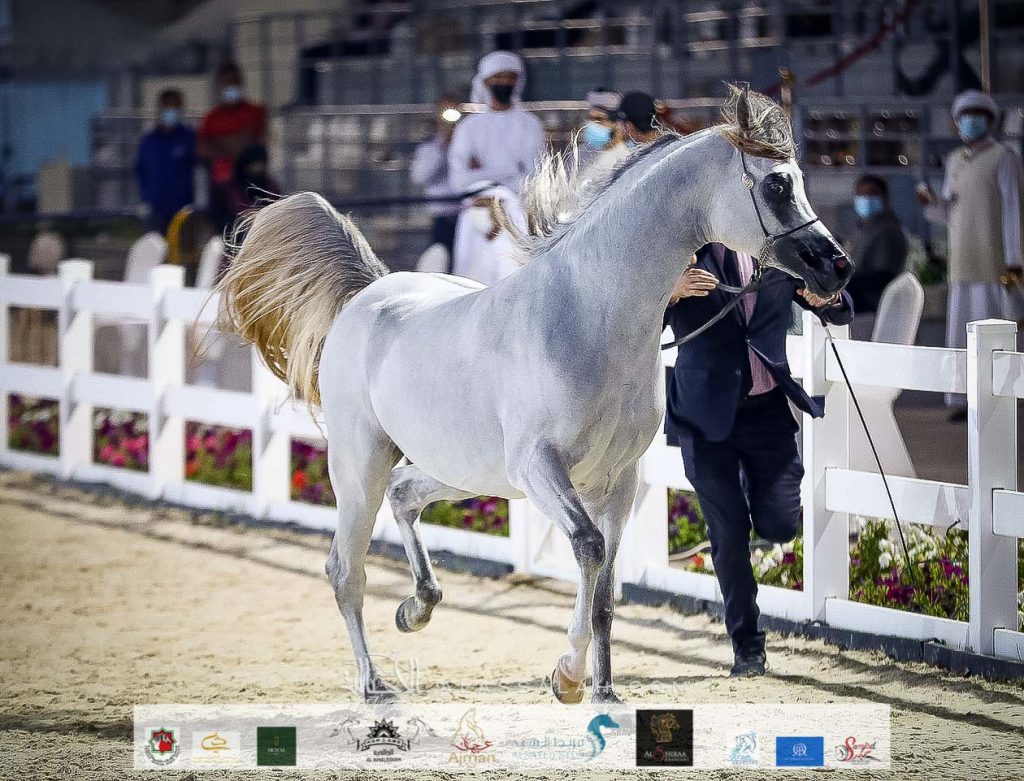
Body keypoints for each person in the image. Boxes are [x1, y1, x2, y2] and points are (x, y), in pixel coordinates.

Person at [664, 244, 854, 677]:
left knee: (780, 525)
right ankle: (747, 647)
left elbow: (841, 308)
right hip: (703, 416)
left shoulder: (780, 250)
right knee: (728, 532)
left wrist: (827, 297)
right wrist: (671, 292)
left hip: (766, 411)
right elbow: (637, 316)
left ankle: (754, 500)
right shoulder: (686, 250)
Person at [919, 89, 1024, 420]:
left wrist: (1015, 261)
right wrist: (931, 204)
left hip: (994, 261)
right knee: (960, 332)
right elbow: (949, 212)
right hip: (962, 261)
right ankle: (962, 398)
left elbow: (1013, 210)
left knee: (994, 331)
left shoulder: (1004, 158)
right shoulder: (955, 160)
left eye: (978, 116)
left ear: (990, 121)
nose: (971, 122)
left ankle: (998, 396)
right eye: (965, 117)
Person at [447, 50, 546, 194]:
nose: (505, 82)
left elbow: (535, 178)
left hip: (520, 204)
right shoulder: (468, 127)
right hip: (478, 204)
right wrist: (512, 173)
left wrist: (482, 174)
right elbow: (458, 180)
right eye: (498, 77)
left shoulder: (530, 124)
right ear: (486, 81)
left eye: (510, 77)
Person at [198, 63, 267, 196]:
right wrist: (234, 144)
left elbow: (260, 141)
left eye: (235, 81)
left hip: (251, 183)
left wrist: (221, 142)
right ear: (220, 85)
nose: (231, 86)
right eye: (227, 82)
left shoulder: (256, 112)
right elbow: (202, 149)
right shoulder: (211, 117)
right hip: (221, 184)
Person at [843, 174, 908, 314]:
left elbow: (884, 275)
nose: (865, 199)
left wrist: (846, 282)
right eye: (861, 194)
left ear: (885, 199)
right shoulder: (861, 229)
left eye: (871, 194)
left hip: (874, 303)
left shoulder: (888, 230)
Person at [135, 89, 196, 234]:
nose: (170, 111)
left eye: (174, 106)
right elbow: (141, 171)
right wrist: (145, 199)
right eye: (167, 106)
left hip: (183, 209)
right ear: (160, 108)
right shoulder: (149, 141)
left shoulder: (188, 138)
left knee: (183, 245)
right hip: (155, 207)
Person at [410, 95, 463, 258]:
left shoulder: (469, 143)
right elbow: (419, 177)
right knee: (441, 258)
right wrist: (441, 146)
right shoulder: (428, 147)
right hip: (441, 216)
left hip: (467, 214)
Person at [208, 144, 280, 236]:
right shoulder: (226, 189)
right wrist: (242, 222)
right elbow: (218, 218)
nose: (258, 170)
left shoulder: (271, 188)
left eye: (261, 166)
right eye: (254, 166)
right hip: (232, 236)